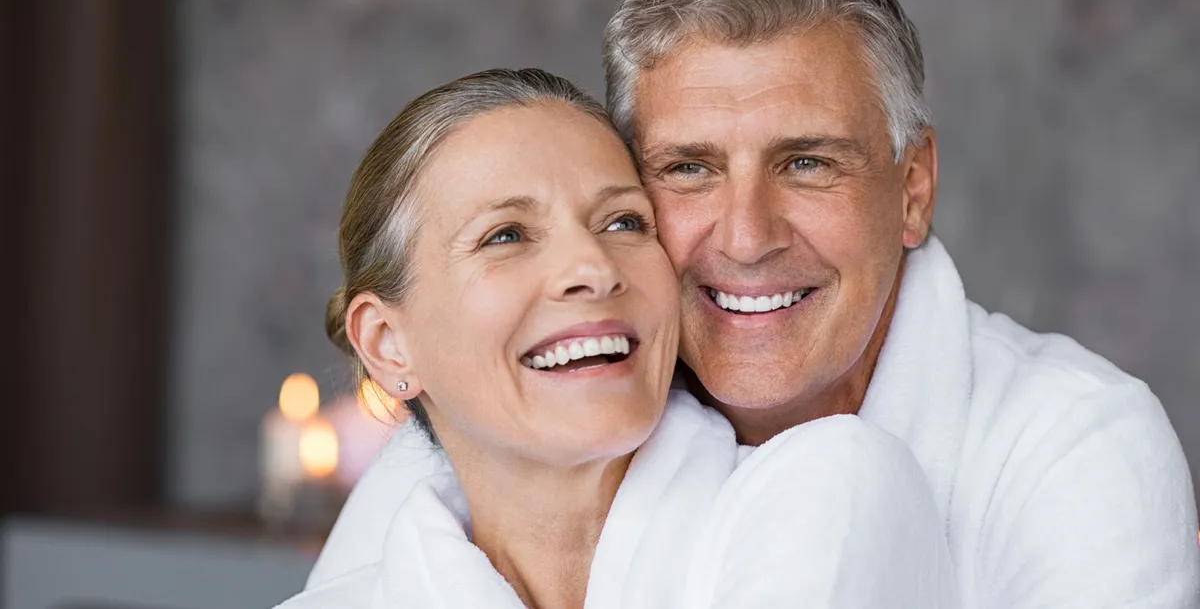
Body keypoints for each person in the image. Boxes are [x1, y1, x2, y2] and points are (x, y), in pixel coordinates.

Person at [309, 0, 1200, 606]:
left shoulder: (1076, 448)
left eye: (808, 162)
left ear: (912, 189)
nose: (745, 235)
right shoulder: (496, 448)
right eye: (688, 168)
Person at [277, 68, 957, 608]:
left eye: (624, 223)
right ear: (389, 344)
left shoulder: (833, 494)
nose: (593, 269)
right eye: (506, 236)